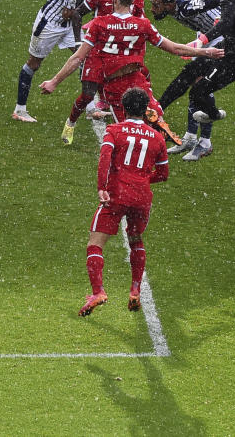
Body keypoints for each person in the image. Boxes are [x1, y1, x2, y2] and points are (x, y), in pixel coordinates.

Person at [38, 0, 223, 140]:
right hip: (136, 79)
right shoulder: (143, 25)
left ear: (114, 0)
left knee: (131, 129)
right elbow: (174, 48)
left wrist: (54, 81)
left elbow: (78, 56)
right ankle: (151, 145)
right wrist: (204, 51)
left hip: (115, 83)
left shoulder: (99, 23)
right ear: (133, 2)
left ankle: (140, 155)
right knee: (153, 114)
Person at [78, 87, 168, 317]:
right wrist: (142, 179)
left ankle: (98, 291)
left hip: (116, 194)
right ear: (146, 110)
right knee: (136, 239)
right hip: (142, 197)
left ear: (124, 108)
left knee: (95, 244)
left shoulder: (114, 130)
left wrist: (102, 187)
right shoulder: (158, 137)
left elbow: (105, 158)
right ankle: (135, 289)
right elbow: (163, 173)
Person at [11, 0, 104, 123]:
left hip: (71, 24)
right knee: (34, 63)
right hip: (51, 24)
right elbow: (67, 14)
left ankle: (91, 108)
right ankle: (19, 110)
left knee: (87, 58)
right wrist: (90, 8)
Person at [62, 0, 144, 140]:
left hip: (120, 55)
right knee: (87, 94)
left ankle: (126, 130)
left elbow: (140, 26)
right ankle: (70, 123)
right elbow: (77, 14)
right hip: (97, 53)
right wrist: (78, 43)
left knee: (127, 92)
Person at [149, 0, 223, 160]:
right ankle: (190, 137)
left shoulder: (188, 9)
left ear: (169, 4)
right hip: (207, 34)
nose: (152, 9)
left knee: (199, 85)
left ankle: (205, 142)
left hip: (221, 37)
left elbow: (210, 2)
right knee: (195, 83)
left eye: (156, 5)